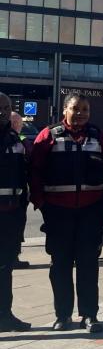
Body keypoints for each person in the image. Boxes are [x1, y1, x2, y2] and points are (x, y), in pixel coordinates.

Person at [30, 93, 103, 332]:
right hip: (58, 213)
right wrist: (41, 203)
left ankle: (89, 315)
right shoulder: (49, 135)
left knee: (89, 264)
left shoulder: (99, 137)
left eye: (85, 110)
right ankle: (63, 316)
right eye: (75, 109)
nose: (80, 114)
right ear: (65, 110)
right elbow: (34, 170)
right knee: (60, 265)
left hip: (91, 211)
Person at [0, 94, 32, 331]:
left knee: (6, 267)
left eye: (6, 107)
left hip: (11, 213)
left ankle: (5, 315)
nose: (2, 111)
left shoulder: (15, 140)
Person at [9, 112, 30, 270]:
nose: (20, 125)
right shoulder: (20, 141)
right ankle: (13, 256)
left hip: (17, 191)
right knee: (15, 226)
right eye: (18, 123)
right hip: (17, 193)